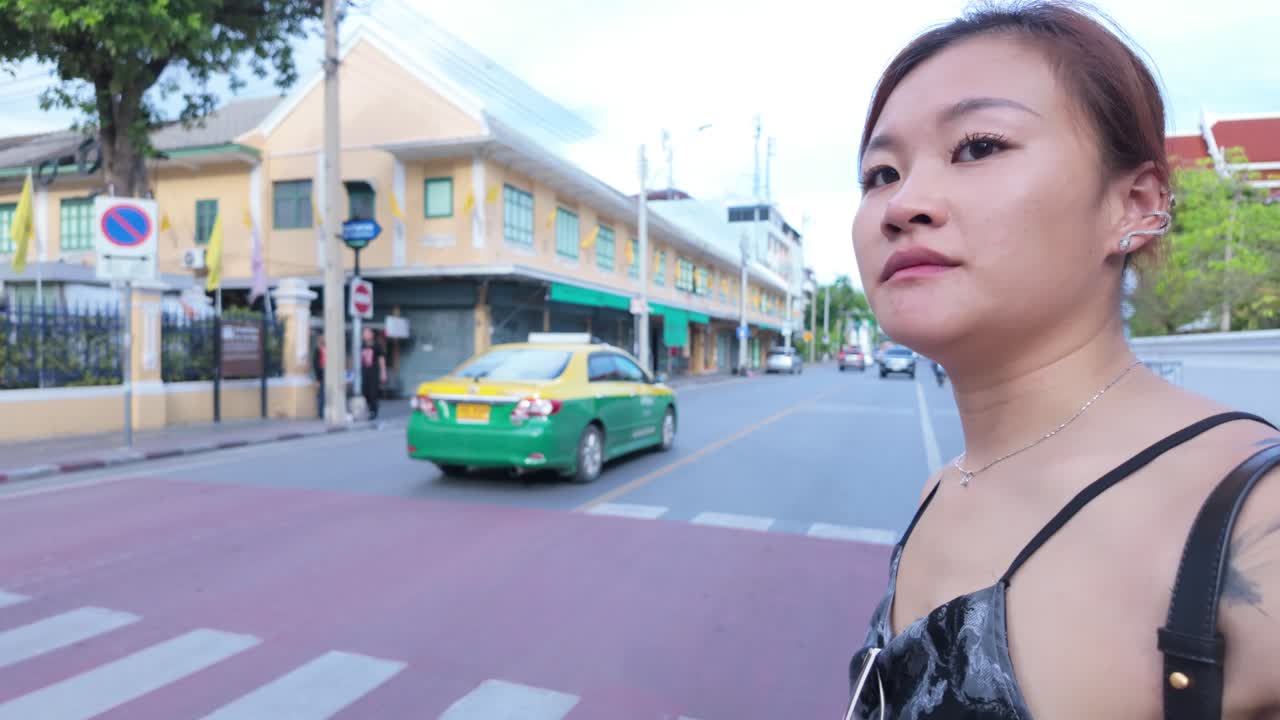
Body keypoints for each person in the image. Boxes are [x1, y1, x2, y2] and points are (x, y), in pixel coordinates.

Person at [844, 3, 1279, 719]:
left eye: (979, 146)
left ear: (1134, 204)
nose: (903, 204)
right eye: (880, 173)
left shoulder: (1254, 528)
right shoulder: (938, 492)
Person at [360, 327, 387, 420]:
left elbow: (381, 359)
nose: (365, 334)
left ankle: (373, 411)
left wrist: (383, 372)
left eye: (367, 333)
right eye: (364, 333)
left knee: (373, 392)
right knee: (364, 391)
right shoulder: (361, 345)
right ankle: (370, 407)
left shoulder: (376, 345)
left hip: (374, 372)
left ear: (371, 334)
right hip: (364, 372)